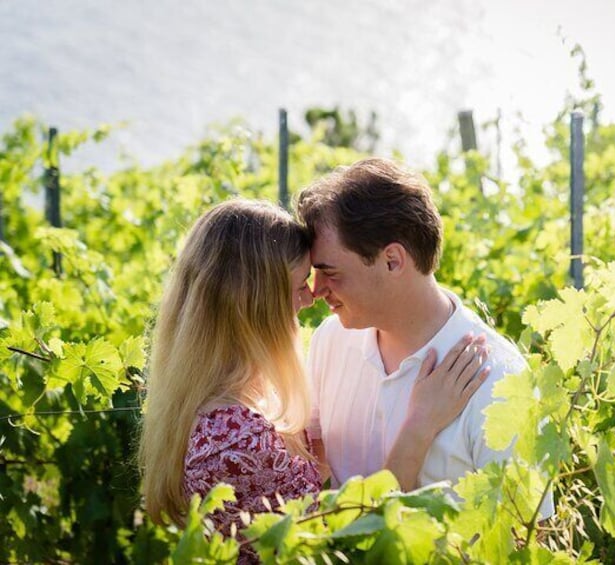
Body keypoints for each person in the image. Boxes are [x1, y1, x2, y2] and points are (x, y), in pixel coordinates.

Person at [138, 198, 490, 560]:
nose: (311, 298)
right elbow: (346, 548)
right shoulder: (235, 440)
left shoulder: (237, 401)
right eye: (298, 285)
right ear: (254, 303)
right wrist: (420, 424)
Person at [296, 158, 553, 516]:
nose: (317, 290)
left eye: (331, 273)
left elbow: (526, 537)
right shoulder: (330, 341)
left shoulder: (499, 379)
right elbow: (315, 483)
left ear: (392, 261)